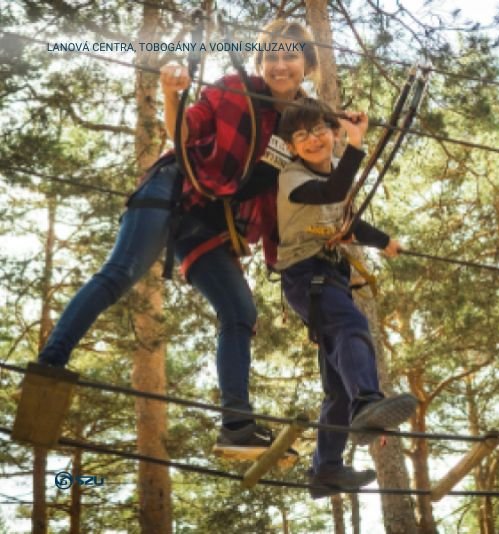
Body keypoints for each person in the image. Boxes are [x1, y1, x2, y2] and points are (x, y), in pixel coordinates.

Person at [37, 20, 317, 458]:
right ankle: (49, 364)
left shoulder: (303, 126)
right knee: (121, 272)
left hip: (213, 222)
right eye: (272, 56)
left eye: (291, 56)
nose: (281, 66)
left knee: (239, 311)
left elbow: (292, 195)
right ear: (260, 63)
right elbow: (184, 133)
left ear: (308, 64)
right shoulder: (233, 89)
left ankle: (237, 426)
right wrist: (171, 94)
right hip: (175, 189)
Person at [274, 97, 418, 498]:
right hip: (306, 274)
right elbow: (332, 191)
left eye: (319, 129)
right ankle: (366, 402)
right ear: (291, 147)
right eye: (301, 135)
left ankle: (327, 468)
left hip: (330, 274)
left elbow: (348, 220)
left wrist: (384, 241)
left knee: (338, 384)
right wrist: (356, 143)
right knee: (351, 326)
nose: (313, 140)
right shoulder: (292, 177)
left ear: (332, 132)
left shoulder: (338, 169)